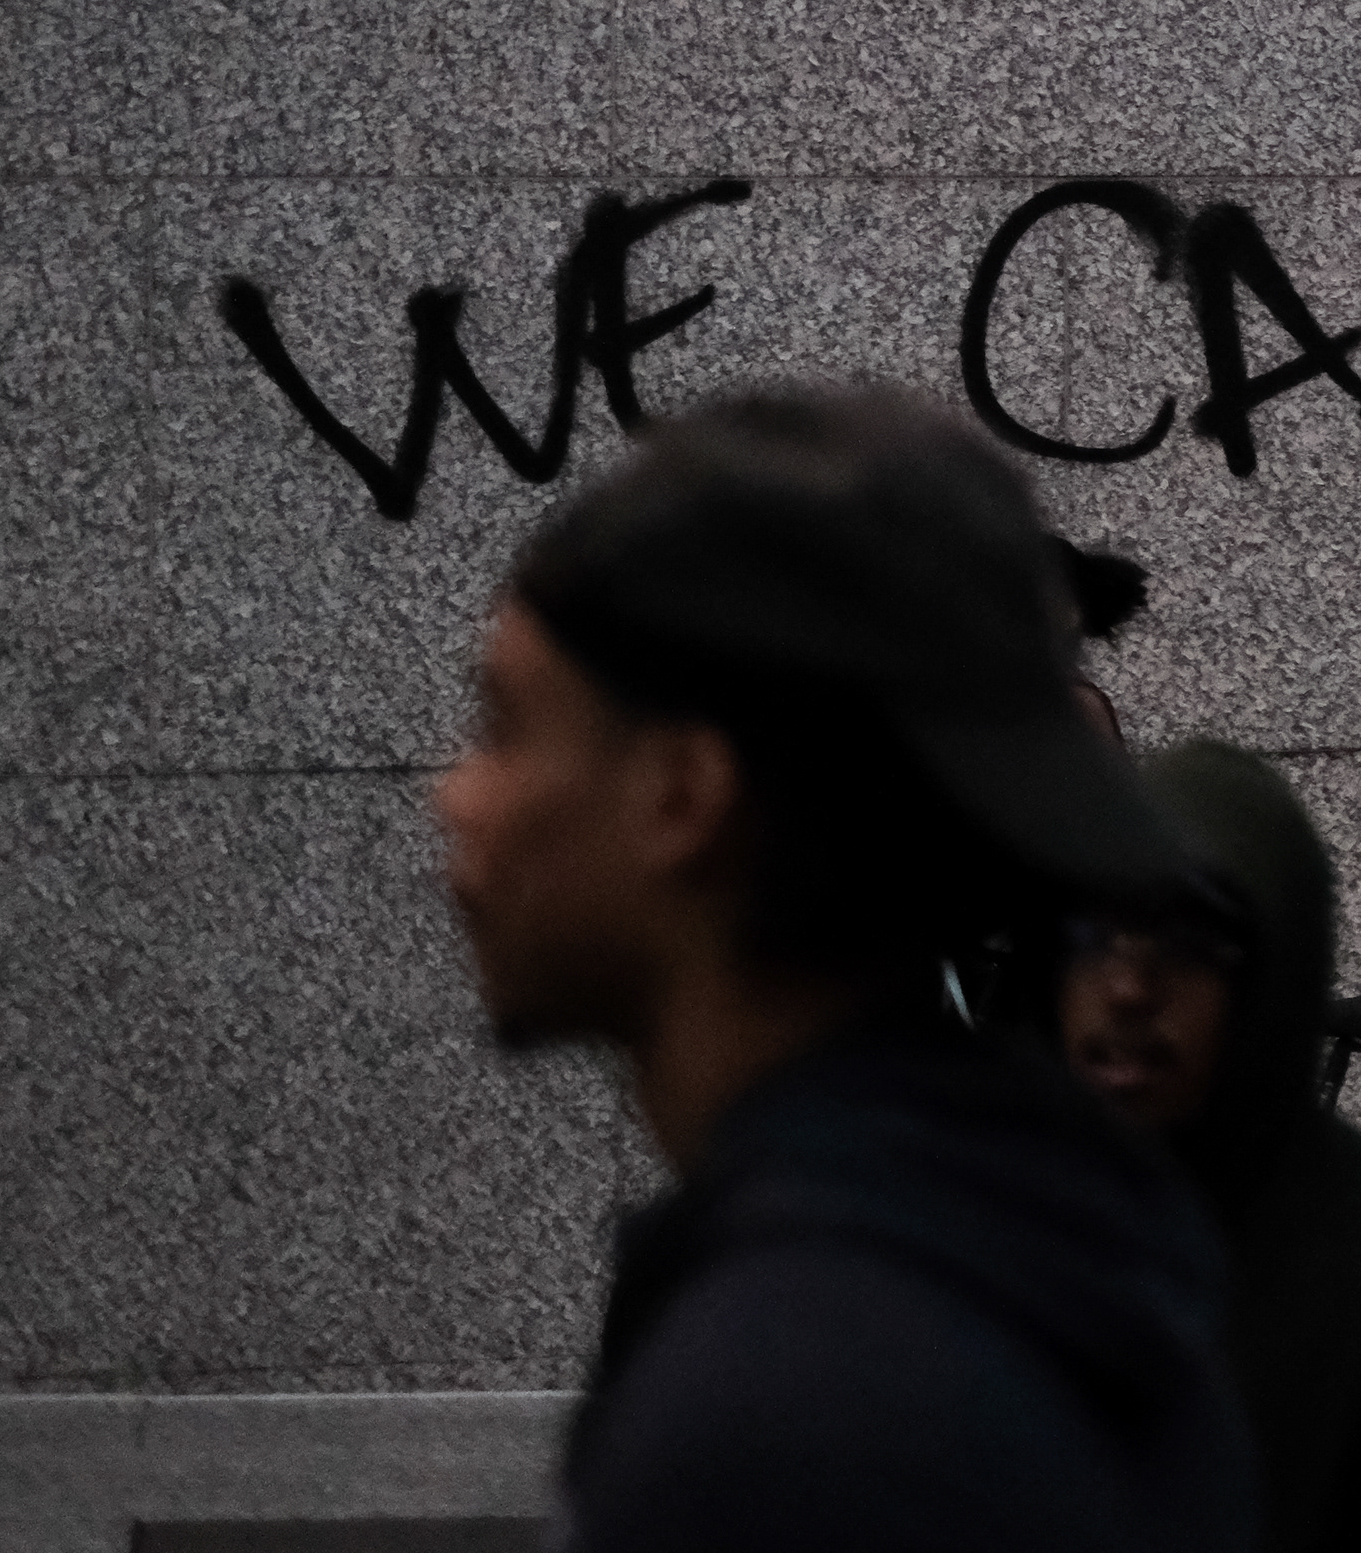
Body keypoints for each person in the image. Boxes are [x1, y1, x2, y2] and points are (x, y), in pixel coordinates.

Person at [432, 386, 1250, 1553]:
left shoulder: (789, 1422)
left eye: (506, 727)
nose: (456, 795)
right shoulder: (1034, 1252)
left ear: (682, 794)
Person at [1062, 741, 1361, 1553]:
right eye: (1094, 932)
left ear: (1271, 977)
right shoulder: (999, 1242)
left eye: (1189, 942)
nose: (1128, 989)